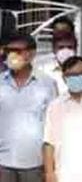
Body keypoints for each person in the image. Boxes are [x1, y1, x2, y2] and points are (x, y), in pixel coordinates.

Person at [0, 33, 57, 182]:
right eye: (8, 51)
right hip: (3, 164)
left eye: (17, 51)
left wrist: (50, 166)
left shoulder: (47, 84)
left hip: (35, 165)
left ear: (31, 54)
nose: (11, 55)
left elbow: (52, 126)